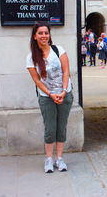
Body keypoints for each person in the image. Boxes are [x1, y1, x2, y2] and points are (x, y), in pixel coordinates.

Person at [26, 22, 73, 173]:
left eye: (46, 33)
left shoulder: (59, 50)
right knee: (50, 128)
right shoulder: (31, 57)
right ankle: (48, 159)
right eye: (40, 33)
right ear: (35, 36)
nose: (44, 36)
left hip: (64, 94)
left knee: (61, 126)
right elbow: (37, 80)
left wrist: (64, 91)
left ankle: (59, 158)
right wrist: (51, 93)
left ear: (49, 35)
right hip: (47, 96)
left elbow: (66, 72)